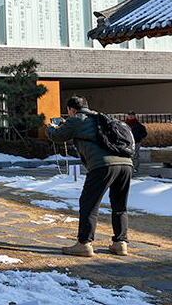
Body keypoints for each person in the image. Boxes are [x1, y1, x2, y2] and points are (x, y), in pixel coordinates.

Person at [44, 95, 132, 257]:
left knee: (89, 204)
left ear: (71, 109)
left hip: (103, 165)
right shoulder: (101, 117)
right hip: (126, 164)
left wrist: (50, 128)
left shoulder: (76, 119)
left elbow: (57, 136)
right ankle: (120, 243)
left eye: (68, 111)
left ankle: (84, 244)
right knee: (119, 205)